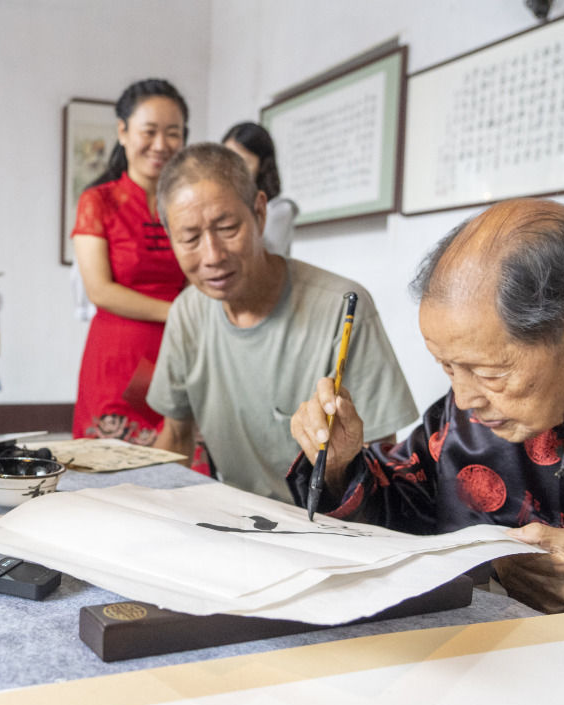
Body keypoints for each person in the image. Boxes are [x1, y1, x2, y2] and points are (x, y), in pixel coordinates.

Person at [289, 198, 564, 612]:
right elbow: (399, 510)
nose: (465, 399)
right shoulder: (468, 412)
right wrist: (341, 465)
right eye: (448, 368)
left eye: (490, 373)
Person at [149, 143, 417, 502]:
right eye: (190, 238)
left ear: (260, 213)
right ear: (170, 238)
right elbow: (176, 438)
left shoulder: (342, 308)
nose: (212, 255)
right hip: (233, 520)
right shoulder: (187, 313)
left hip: (324, 528)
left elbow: (377, 460)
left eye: (227, 228)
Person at [71, 78, 189, 444]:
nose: (161, 145)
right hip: (118, 358)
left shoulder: (189, 204)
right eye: (149, 131)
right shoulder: (99, 201)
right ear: (123, 132)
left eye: (173, 133)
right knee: (114, 479)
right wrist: (179, 313)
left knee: (183, 476)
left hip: (179, 353)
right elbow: (100, 290)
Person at [222, 121, 299, 257]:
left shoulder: (279, 210)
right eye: (225, 161)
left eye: (241, 162)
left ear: (263, 165)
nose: (231, 170)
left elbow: (265, 260)